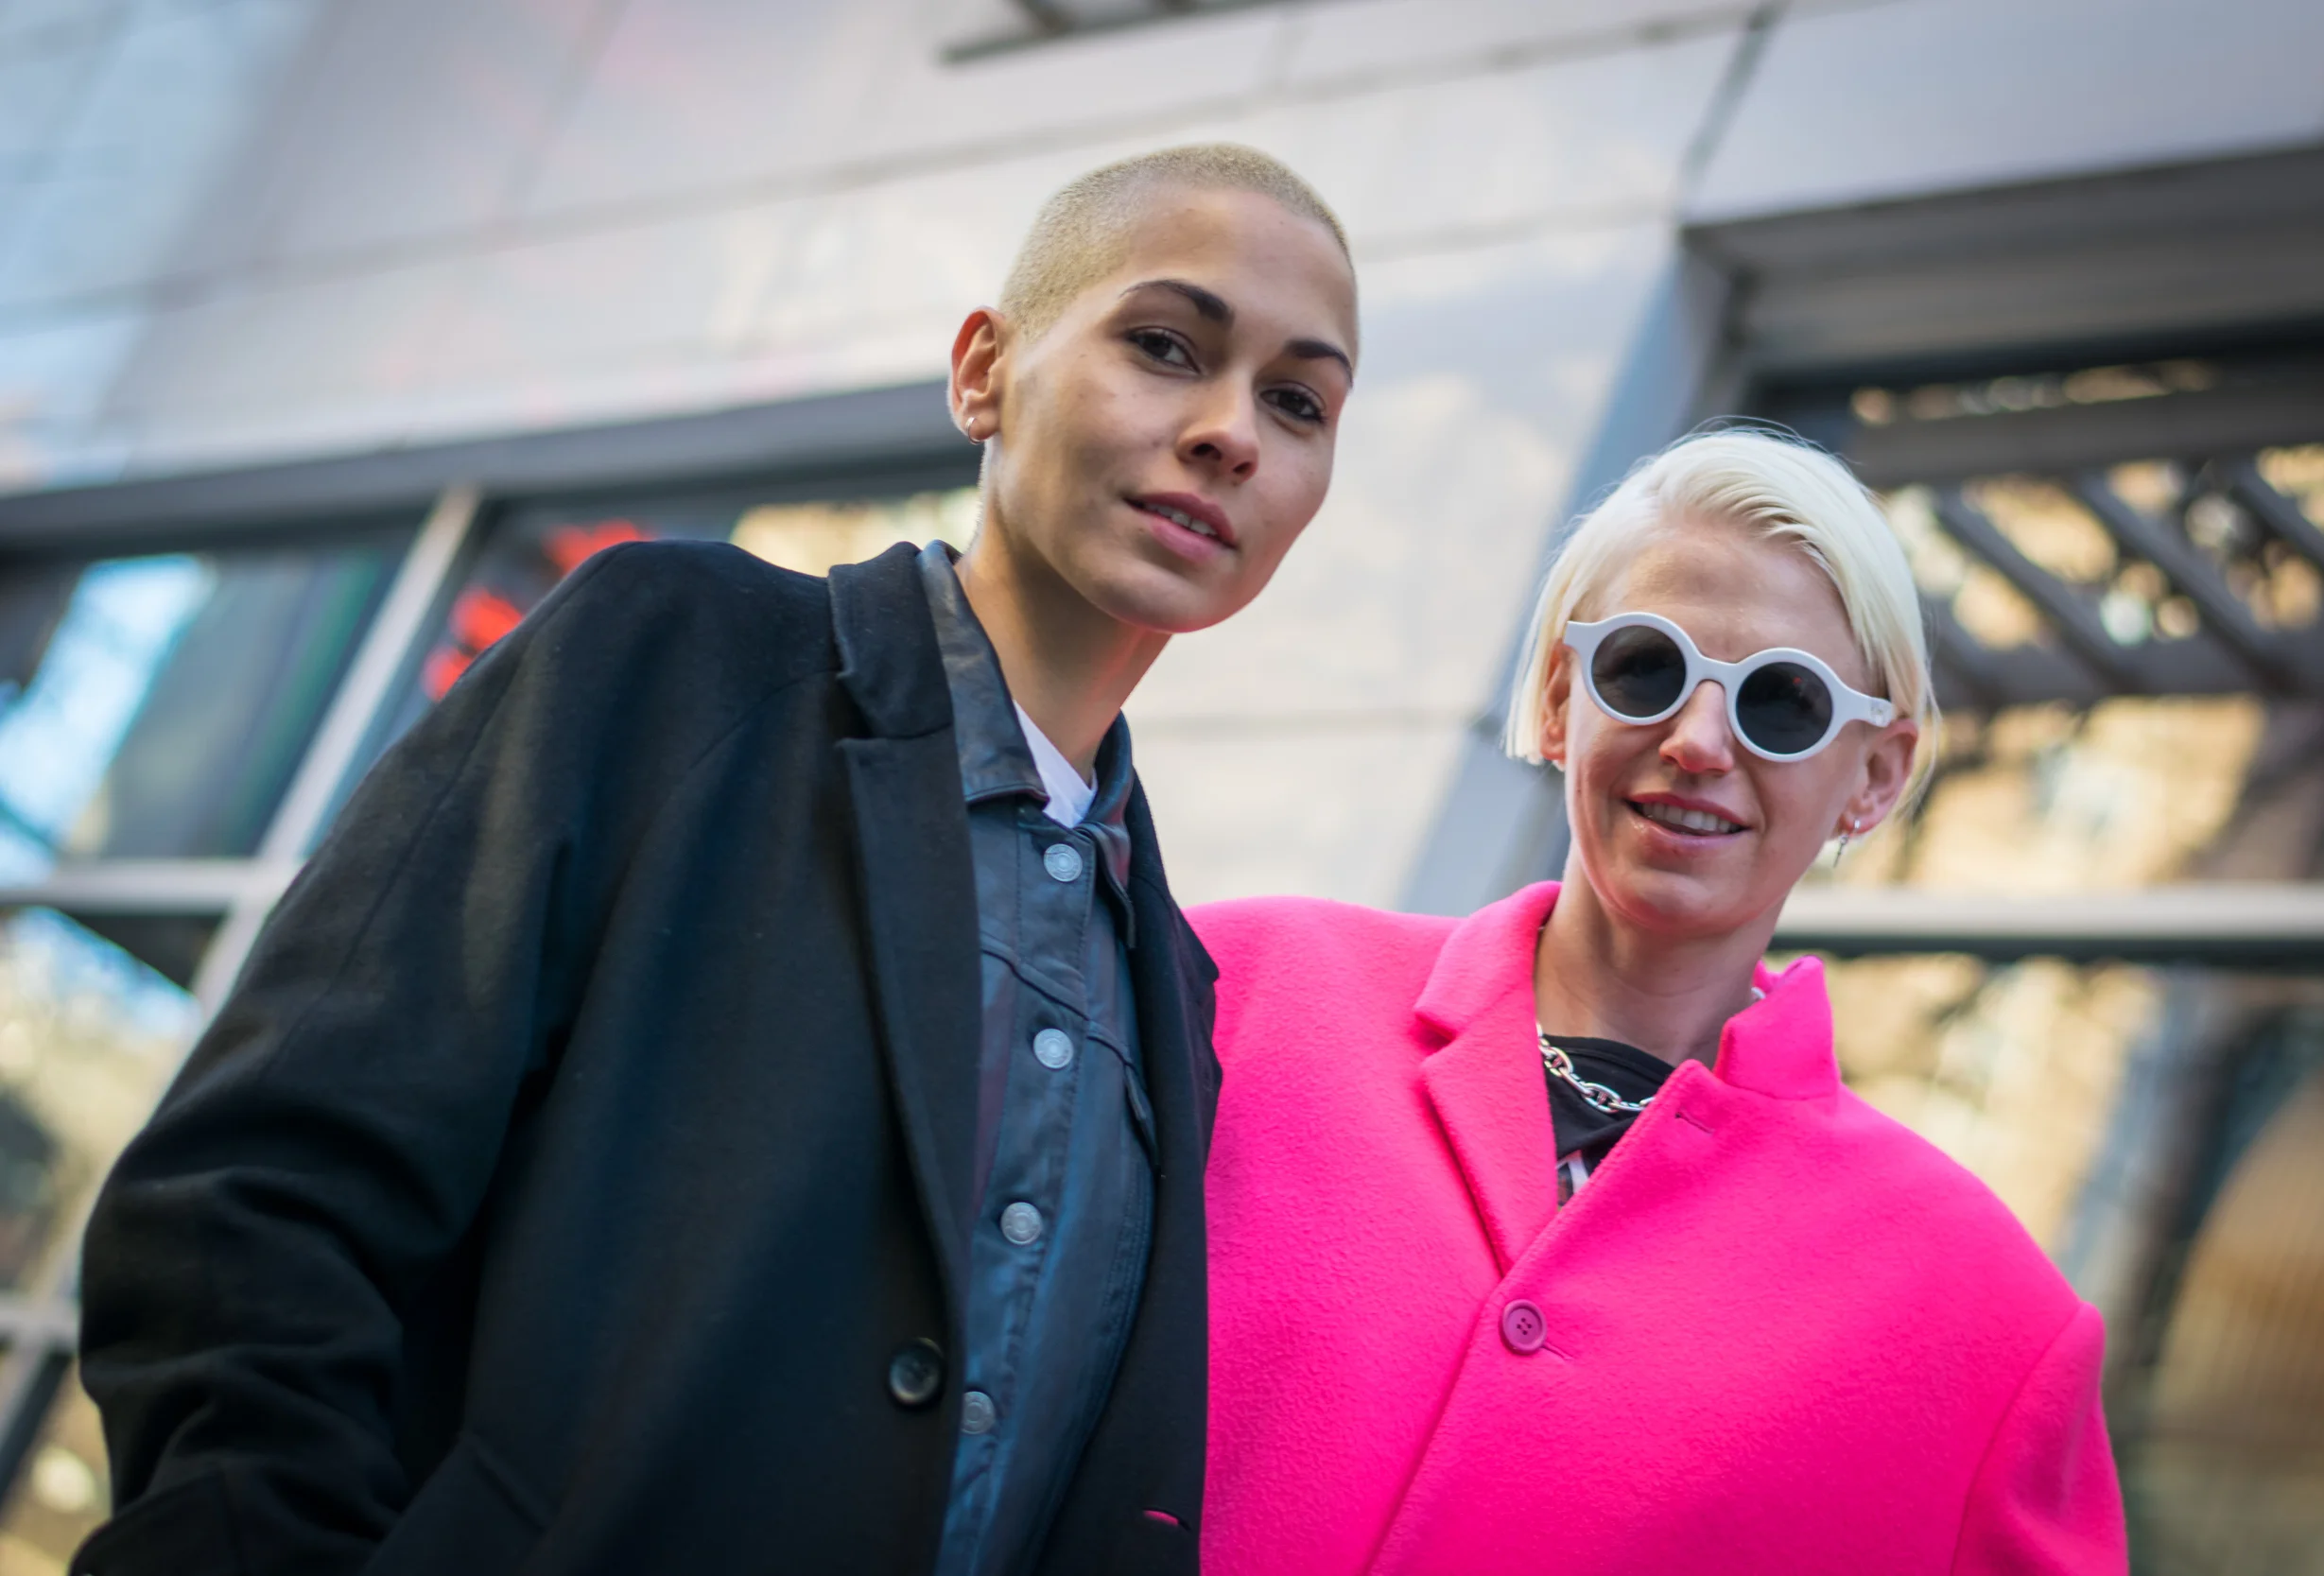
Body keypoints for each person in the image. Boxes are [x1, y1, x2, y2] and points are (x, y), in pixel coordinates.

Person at [71, 144, 1358, 1576]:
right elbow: (253, 1203)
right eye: (1165, 345)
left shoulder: (1170, 981)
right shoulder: (677, 653)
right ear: (983, 371)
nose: (1231, 432)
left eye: (1297, 401)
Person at [1192, 430, 2127, 1575]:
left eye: (1782, 701)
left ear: (1875, 776)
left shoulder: (1987, 1323)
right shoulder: (1233, 992)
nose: (1696, 741)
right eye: (1645, 667)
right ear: (1558, 697)